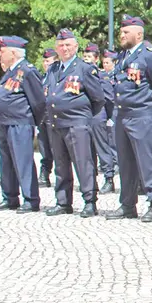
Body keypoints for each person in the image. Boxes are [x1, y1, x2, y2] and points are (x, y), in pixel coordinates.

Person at [107, 15, 152, 222]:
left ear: (139, 34)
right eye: (121, 31)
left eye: (126, 32)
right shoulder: (123, 56)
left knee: (148, 161)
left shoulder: (151, 56)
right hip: (123, 116)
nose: (122, 35)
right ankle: (127, 204)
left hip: (143, 115)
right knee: (125, 163)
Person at [45, 30, 106, 217]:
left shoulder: (85, 69)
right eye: (61, 45)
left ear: (76, 47)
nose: (64, 48)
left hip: (77, 123)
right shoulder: (53, 69)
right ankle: (63, 202)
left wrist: (83, 116)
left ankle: (89, 201)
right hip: (56, 123)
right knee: (61, 164)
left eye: (68, 45)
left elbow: (99, 99)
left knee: (83, 163)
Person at [0, 36, 45, 212]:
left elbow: (38, 102)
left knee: (23, 161)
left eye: (3, 50)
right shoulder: (10, 71)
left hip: (20, 122)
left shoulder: (27, 71)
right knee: (6, 162)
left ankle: (30, 198)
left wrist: (33, 123)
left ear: (13, 52)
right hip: (5, 123)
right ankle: (10, 197)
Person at [83, 43, 117, 196]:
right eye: (84, 56)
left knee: (103, 149)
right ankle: (91, 182)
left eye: (89, 57)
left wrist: (109, 117)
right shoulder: (80, 74)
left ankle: (109, 179)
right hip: (84, 116)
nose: (86, 59)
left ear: (96, 59)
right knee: (87, 151)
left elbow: (109, 99)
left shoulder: (101, 76)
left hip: (98, 116)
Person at [98, 50, 119, 194]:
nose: (105, 65)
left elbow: (112, 99)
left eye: (107, 62)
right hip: (99, 116)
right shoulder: (101, 76)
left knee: (113, 144)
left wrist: (112, 117)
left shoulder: (113, 77)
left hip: (113, 114)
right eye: (103, 62)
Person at [37, 48, 57, 188]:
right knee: (44, 147)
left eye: (48, 61)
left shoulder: (57, 76)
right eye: (44, 61)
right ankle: (44, 174)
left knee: (57, 148)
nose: (45, 64)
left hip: (54, 117)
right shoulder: (41, 77)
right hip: (42, 117)